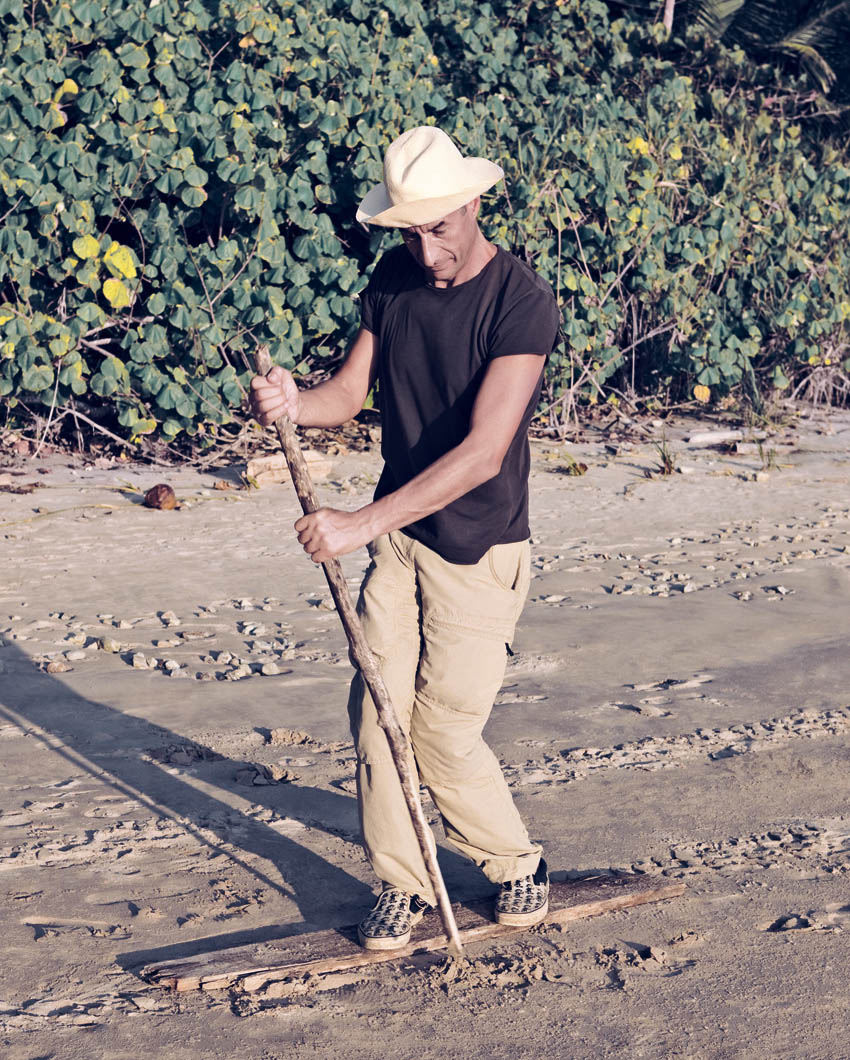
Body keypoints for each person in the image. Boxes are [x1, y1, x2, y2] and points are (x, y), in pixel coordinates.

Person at [251, 126, 560, 951]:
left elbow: (483, 452)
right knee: (377, 713)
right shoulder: (394, 279)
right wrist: (292, 400)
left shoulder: (521, 301)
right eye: (411, 231)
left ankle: (515, 863)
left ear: (473, 203)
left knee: (444, 730)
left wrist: (358, 522)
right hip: (400, 541)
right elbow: (348, 395)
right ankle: (402, 882)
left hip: (480, 546)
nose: (426, 252)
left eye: (439, 228)